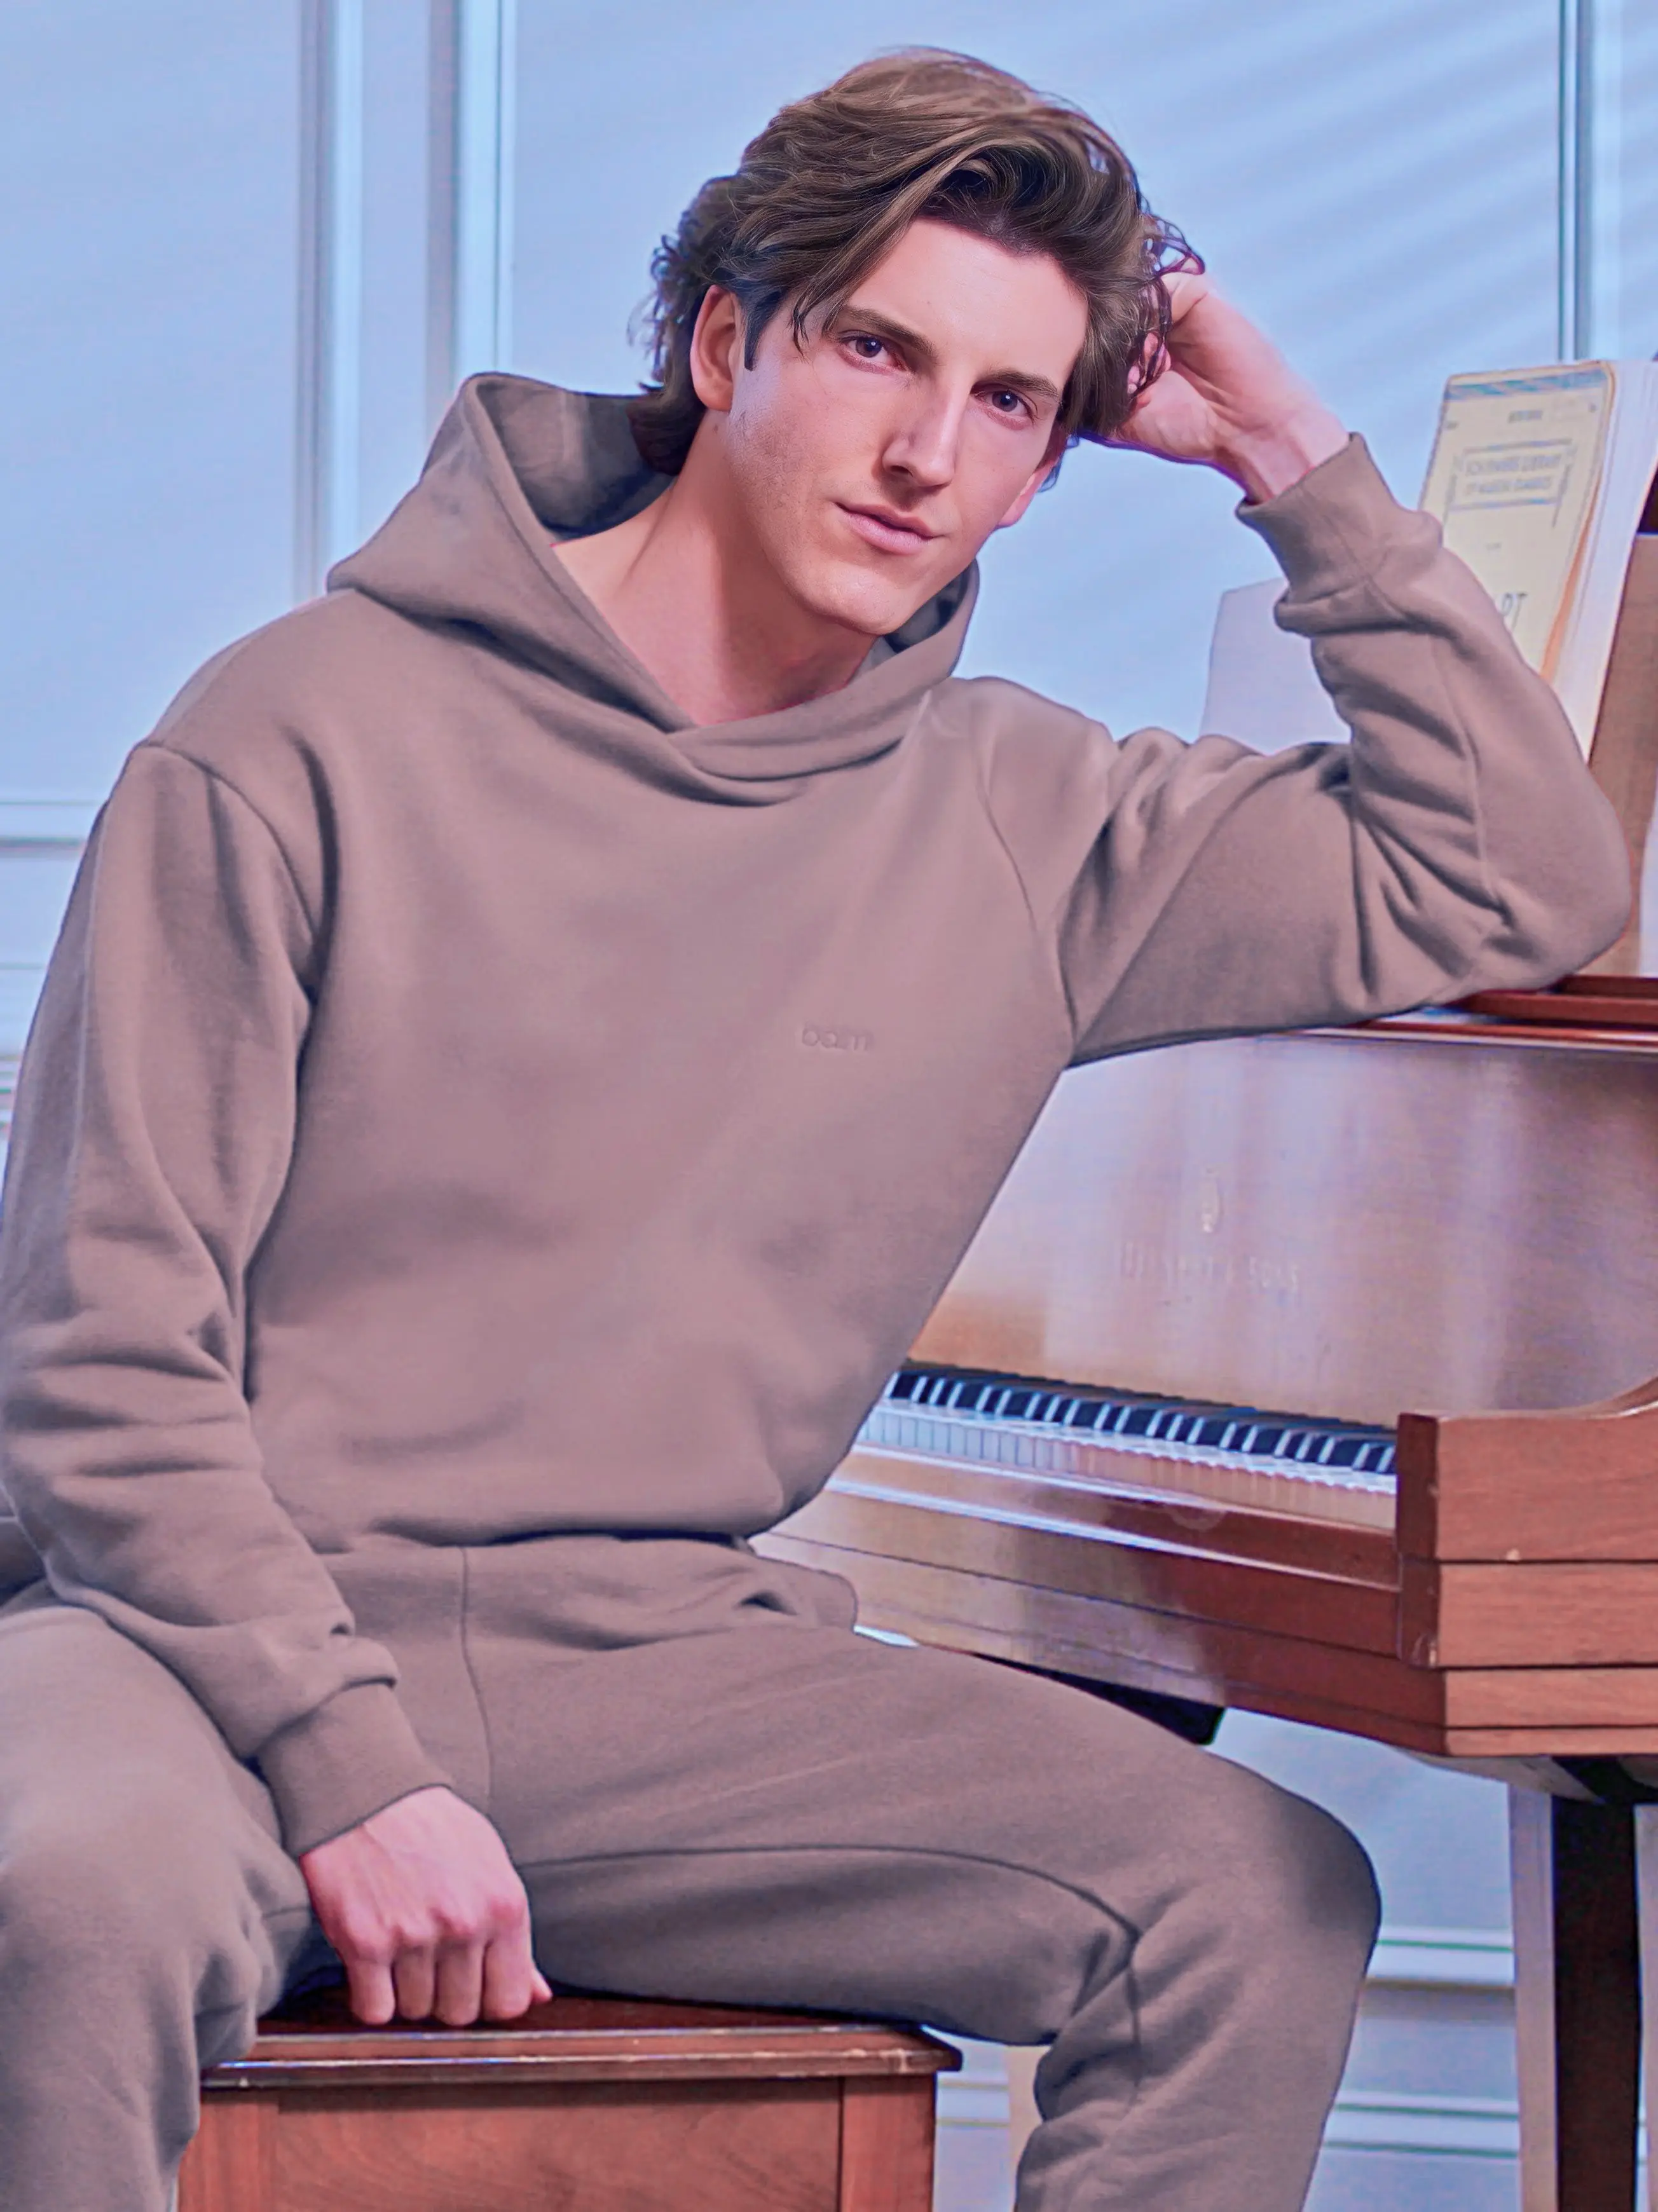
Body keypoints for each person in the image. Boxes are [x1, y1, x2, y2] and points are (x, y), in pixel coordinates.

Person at [0, 46, 1627, 2212]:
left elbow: (1529, 876)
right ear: (723, 342)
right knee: (54, 1897)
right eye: (878, 347)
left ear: (1056, 460)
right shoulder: (292, 735)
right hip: (197, 1648)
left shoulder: (1045, 823)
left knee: (1254, 1902)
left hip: (647, 1675)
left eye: (1012, 403)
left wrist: (1280, 449)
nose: (927, 451)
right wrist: (346, 1770)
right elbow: (101, 1364)